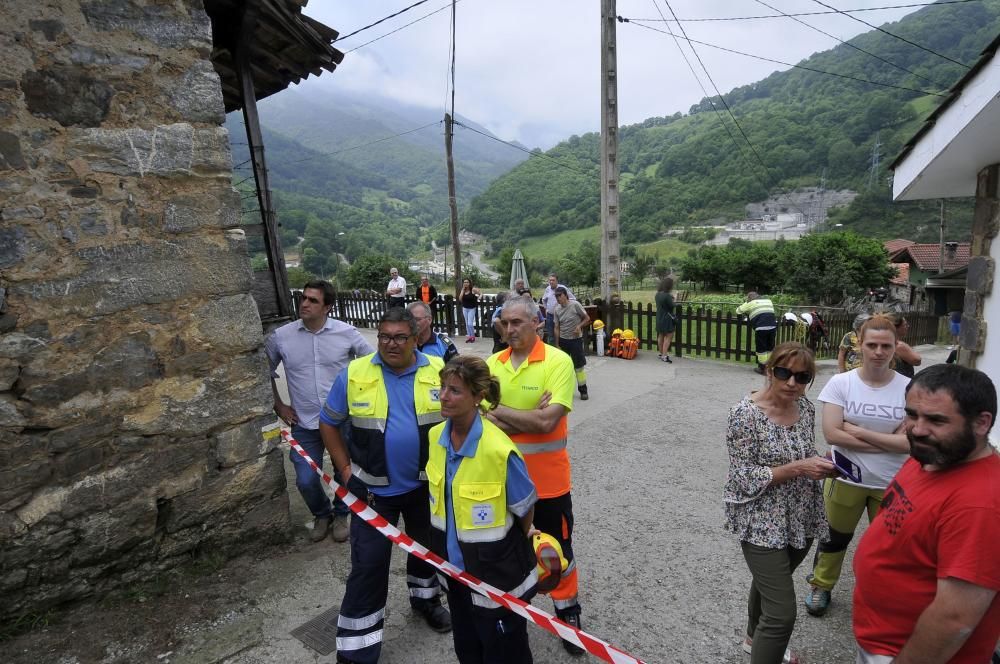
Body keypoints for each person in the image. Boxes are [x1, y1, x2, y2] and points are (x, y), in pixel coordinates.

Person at [319, 308, 451, 664]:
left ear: (415, 338)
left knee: (427, 553)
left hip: (425, 489)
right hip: (373, 493)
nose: (390, 344)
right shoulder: (355, 373)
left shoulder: (439, 372)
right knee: (368, 567)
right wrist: (344, 470)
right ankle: (358, 651)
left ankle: (426, 601)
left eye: (399, 337)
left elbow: (465, 416)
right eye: (384, 336)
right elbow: (328, 423)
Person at [853, 364, 1000, 664]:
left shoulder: (982, 504)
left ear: (981, 423)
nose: (917, 429)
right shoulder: (931, 455)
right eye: (911, 414)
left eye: (935, 419)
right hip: (881, 639)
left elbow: (954, 619)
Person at [485, 295, 585, 656]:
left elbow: (547, 422)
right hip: (502, 482)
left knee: (557, 552)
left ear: (536, 323)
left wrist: (500, 412)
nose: (509, 329)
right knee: (506, 551)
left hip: (549, 484)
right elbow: (481, 422)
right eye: (505, 323)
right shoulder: (491, 364)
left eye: (517, 323)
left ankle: (567, 613)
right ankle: (513, 611)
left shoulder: (558, 361)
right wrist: (522, 416)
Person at [725, 342, 836, 664]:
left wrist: (822, 464)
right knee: (782, 614)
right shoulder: (744, 415)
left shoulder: (806, 409)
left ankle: (751, 638)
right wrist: (801, 467)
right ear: (770, 370)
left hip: (801, 517)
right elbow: (742, 477)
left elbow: (802, 452)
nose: (792, 383)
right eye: (784, 373)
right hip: (762, 521)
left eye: (802, 377)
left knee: (770, 583)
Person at [428, 356, 538, 664]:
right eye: (442, 388)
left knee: (505, 652)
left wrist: (523, 534)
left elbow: (525, 508)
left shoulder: (499, 450)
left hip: (496, 577)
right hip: (453, 570)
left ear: (478, 397)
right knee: (468, 648)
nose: (444, 396)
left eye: (455, 390)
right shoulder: (435, 437)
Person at [803, 315, 911, 618]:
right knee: (833, 538)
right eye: (872, 344)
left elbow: (911, 443)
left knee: (889, 547)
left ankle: (880, 595)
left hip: (891, 483)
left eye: (886, 346)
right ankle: (821, 585)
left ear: (895, 347)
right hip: (846, 477)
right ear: (859, 345)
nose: (879, 351)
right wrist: (887, 441)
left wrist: (858, 432)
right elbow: (832, 433)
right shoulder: (841, 383)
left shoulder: (910, 388)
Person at [265, 280, 373, 543]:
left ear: (328, 307)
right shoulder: (282, 337)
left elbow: (373, 365)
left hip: (341, 421)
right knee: (304, 478)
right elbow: (262, 372)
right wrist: (279, 404)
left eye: (313, 300)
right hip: (303, 421)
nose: (305, 303)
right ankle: (321, 514)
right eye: (303, 298)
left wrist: (362, 402)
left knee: (344, 471)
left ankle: (341, 514)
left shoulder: (346, 333)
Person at [552, 286, 591, 401]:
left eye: (560, 296)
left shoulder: (575, 305)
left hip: (576, 341)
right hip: (563, 341)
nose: (558, 298)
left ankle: (583, 391)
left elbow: (587, 318)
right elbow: (556, 327)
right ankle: (563, 391)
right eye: (556, 296)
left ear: (565, 295)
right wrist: (557, 344)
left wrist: (579, 326)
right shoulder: (557, 309)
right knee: (563, 367)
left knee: (578, 367)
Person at [736, 291, 777, 375]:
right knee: (770, 348)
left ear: (750, 298)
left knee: (761, 349)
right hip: (772, 327)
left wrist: (747, 303)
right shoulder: (768, 300)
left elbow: (738, 311)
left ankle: (763, 369)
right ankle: (770, 367)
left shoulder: (751, 303)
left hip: (761, 328)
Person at [541, 274, 575, 345]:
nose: (551, 282)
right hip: (550, 315)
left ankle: (561, 350)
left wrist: (565, 306)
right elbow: (544, 300)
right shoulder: (548, 289)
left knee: (561, 334)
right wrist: (546, 309)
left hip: (561, 315)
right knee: (550, 335)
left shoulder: (562, 288)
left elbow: (572, 298)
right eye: (550, 280)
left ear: (557, 281)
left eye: (553, 280)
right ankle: (552, 352)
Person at [886, 312, 922, 379]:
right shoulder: (898, 345)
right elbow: (917, 360)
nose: (908, 326)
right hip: (901, 379)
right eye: (905, 325)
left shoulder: (884, 341)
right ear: (895, 328)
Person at [655, 277, 676, 363]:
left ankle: (661, 354)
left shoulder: (657, 294)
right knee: (669, 336)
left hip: (659, 317)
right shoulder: (667, 296)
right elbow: (671, 306)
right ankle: (664, 355)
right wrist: (675, 300)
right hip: (666, 318)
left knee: (661, 335)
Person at [460, 278, 481, 343]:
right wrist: (463, 290)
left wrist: (479, 298)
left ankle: (473, 337)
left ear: (469, 283)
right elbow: (460, 299)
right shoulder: (463, 290)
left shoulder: (473, 289)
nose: (466, 283)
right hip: (465, 308)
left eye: (467, 282)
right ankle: (469, 337)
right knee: (466, 324)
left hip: (471, 309)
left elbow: (480, 293)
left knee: (470, 324)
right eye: (464, 282)